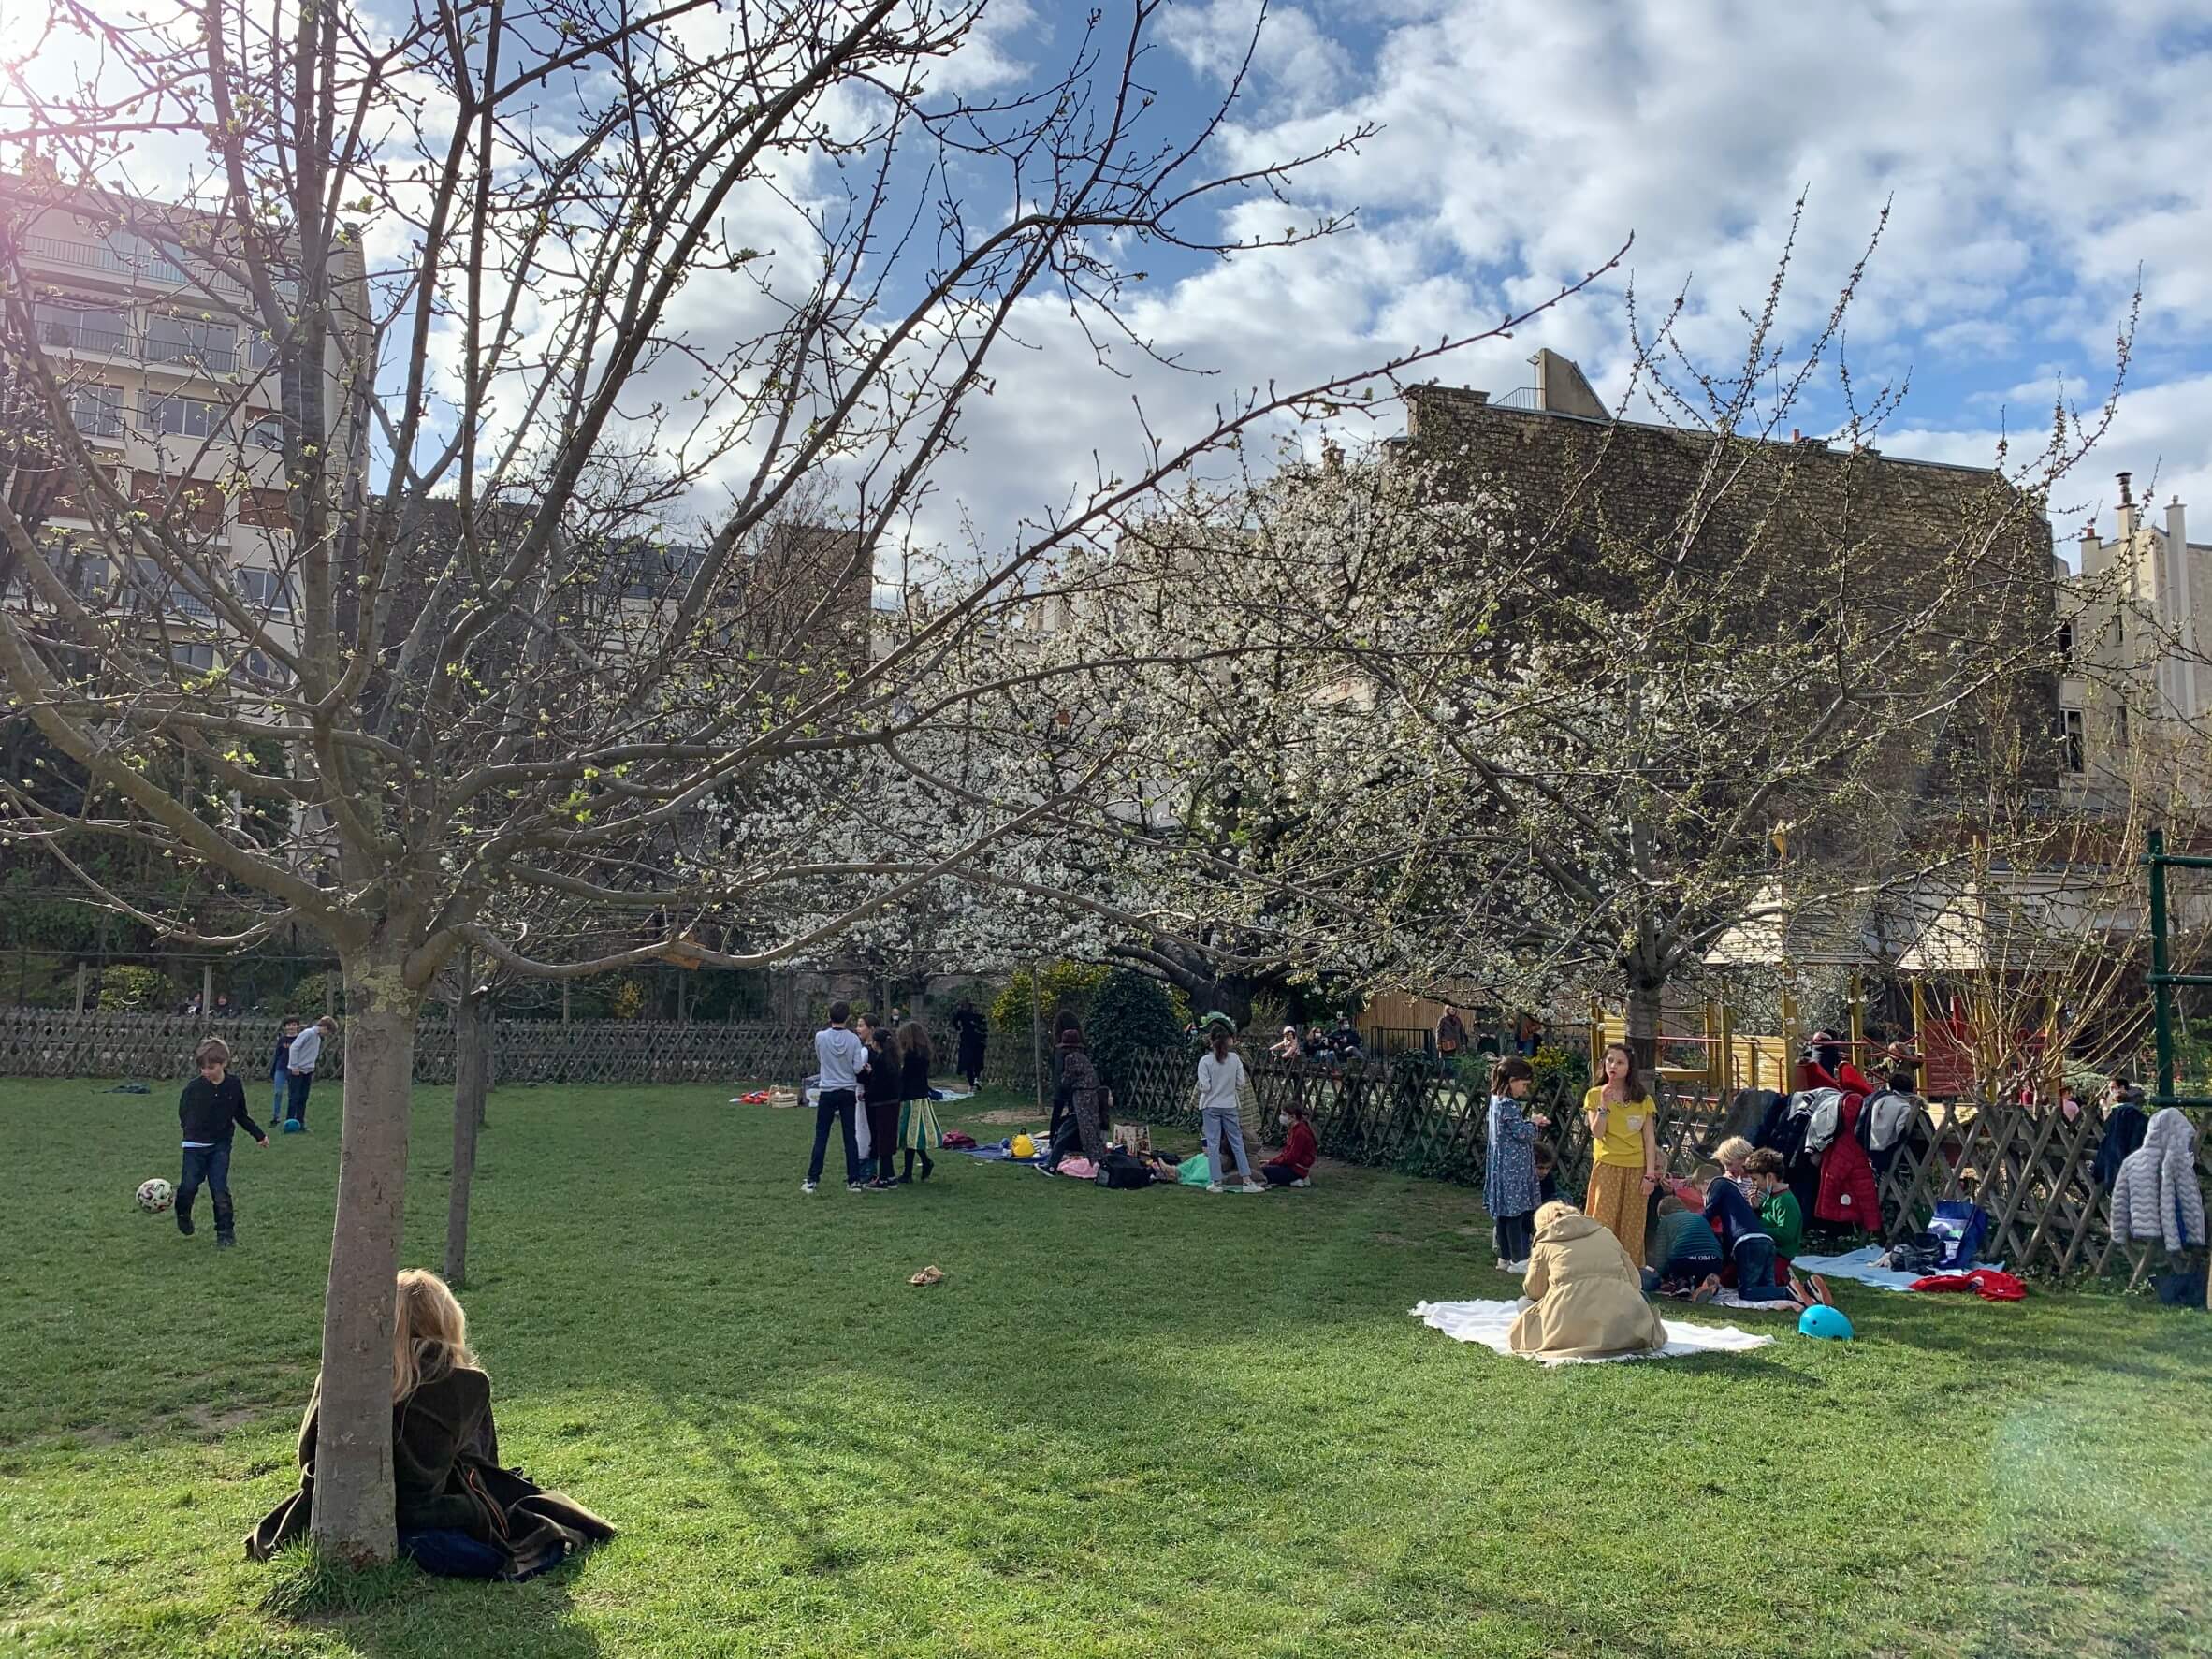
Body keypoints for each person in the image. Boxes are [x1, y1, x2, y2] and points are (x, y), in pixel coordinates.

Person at [249, 1270, 614, 1578]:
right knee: (516, 1519)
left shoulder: (341, 1376)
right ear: (447, 1319)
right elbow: (482, 1459)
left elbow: (308, 1452)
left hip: (344, 1507)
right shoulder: (466, 1383)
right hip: (428, 1514)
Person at [1508, 1201, 1667, 1360]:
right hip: (1622, 1325)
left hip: (1567, 1327)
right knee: (1642, 1298)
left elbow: (1534, 1291)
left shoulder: (1545, 1244)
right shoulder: (1605, 1233)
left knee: (1524, 1302)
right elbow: (1635, 1282)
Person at [176, 1036, 269, 1247]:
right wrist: (190, 1131)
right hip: (194, 1146)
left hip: (220, 1146)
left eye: (211, 1067)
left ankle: (225, 1232)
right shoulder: (193, 1088)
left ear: (224, 1063)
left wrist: (259, 1135)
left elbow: (241, 1114)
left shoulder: (234, 1085)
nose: (206, 1072)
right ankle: (183, 1213)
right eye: (202, 1068)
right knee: (189, 1185)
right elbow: (183, 1112)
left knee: (219, 1188)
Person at [1581, 1041, 1660, 1268]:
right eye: (1609, 1060)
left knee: (1632, 1224)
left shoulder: (1642, 1100)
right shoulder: (1595, 1095)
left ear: (1629, 1067)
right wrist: (1604, 1106)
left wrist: (1650, 1175)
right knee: (1602, 1219)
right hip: (1607, 1164)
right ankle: (1597, 1266)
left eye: (1619, 1062)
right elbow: (1597, 1133)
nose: (1613, 1065)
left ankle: (1629, 1272)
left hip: (1636, 1167)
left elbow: (1649, 1139)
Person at [1699, 1159, 1811, 1306]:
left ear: (1706, 1183)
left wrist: (1692, 1223)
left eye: (1700, 1190)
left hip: (1752, 1244)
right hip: (1767, 1244)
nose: (1753, 1184)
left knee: (1747, 1291)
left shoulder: (1718, 1185)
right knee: (1765, 1288)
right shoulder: (1742, 1195)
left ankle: (1788, 1291)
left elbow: (1708, 1214)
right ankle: (1805, 1291)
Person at [1484, 1055, 1550, 1269]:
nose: (1524, 1089)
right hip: (1514, 1169)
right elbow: (1521, 1133)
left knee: (1503, 1214)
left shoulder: (1496, 1101)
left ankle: (1503, 1258)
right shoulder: (1509, 1105)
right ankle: (1518, 1259)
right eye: (1523, 1084)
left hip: (1500, 1166)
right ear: (1512, 1080)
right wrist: (1535, 1123)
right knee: (1515, 1214)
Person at [804, 1001, 869, 1194]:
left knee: (821, 1135)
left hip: (828, 1089)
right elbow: (857, 1068)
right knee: (850, 1136)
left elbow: (820, 1058)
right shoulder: (853, 1040)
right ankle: (854, 1180)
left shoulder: (820, 1037)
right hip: (848, 1090)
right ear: (848, 1018)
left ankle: (812, 1179)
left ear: (829, 1016)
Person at [1196, 1022, 1264, 1194]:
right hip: (1230, 1105)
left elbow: (1204, 1086)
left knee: (1213, 1143)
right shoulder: (1235, 1060)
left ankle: (1216, 1182)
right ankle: (1247, 1181)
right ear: (1228, 1040)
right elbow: (1241, 1083)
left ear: (1210, 1041)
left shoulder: (1205, 1061)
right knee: (1237, 1142)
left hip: (1211, 1105)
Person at [1043, 1022, 1109, 1173]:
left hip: (1081, 1098)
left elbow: (1067, 1081)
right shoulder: (1083, 1058)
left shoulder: (1070, 1059)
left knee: (1071, 1131)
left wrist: (1060, 1083)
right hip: (1091, 1097)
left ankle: (1052, 1165)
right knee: (1090, 1130)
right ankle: (1100, 1162)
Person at [1642, 1196, 1724, 1298]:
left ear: (1662, 1214)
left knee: (1677, 1262)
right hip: (1714, 1258)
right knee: (1702, 1273)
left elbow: (1661, 1252)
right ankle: (1706, 1285)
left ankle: (1682, 1284)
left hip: (1685, 1258)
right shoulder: (1699, 1217)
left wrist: (1662, 1275)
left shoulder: (1665, 1221)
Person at [857, 1016, 903, 1189]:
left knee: (881, 1140)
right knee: (888, 1139)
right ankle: (889, 1175)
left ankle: (883, 1178)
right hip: (892, 1104)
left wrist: (866, 1095)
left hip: (880, 1105)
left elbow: (877, 1085)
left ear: (877, 1043)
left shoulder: (880, 1061)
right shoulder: (893, 1060)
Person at [895, 1019, 939, 1183]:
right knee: (913, 1135)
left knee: (909, 1135)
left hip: (911, 1098)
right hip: (921, 1096)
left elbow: (904, 1078)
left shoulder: (910, 1057)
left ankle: (909, 1173)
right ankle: (924, 1163)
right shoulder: (923, 1054)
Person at [1744, 1147, 1803, 1259]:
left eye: (1755, 1179)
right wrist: (1756, 1209)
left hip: (1779, 1254)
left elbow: (1786, 1234)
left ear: (1769, 1177)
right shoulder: (1769, 1195)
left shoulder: (1785, 1200)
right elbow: (1767, 1219)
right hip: (1767, 1248)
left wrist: (1757, 1229)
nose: (1753, 1184)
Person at [283, 1015, 333, 1131]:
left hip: (307, 1070)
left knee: (303, 1097)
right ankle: (289, 1123)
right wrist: (294, 1066)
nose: (327, 1034)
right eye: (328, 1031)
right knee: (294, 1097)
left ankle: (300, 1123)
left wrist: (311, 1067)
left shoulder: (318, 1038)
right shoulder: (308, 1033)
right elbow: (294, 1048)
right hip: (297, 1070)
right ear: (324, 1027)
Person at [1260, 1099, 1317, 1186]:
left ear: (1293, 1117)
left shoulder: (1300, 1132)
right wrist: (1271, 1162)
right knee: (1264, 1168)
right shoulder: (1296, 1129)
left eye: (1284, 1115)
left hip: (1296, 1169)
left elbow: (1291, 1157)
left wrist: (1272, 1163)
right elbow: (1287, 1153)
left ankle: (1294, 1180)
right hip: (1295, 1167)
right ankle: (1295, 1180)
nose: (1281, 1117)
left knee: (1262, 1172)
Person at [268, 1015, 300, 1129]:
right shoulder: (282, 1040)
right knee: (278, 1093)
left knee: (292, 1094)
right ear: (285, 1027)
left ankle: (291, 1117)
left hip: (294, 1069)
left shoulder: (300, 1039)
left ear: (297, 1026)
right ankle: (275, 1117)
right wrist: (273, 1070)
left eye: (294, 1024)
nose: (291, 1027)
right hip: (281, 1068)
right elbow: (277, 1055)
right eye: (289, 1025)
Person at [952, 998, 987, 1091]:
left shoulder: (962, 1013)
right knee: (977, 1059)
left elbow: (954, 1021)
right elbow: (984, 1027)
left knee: (969, 1062)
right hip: (978, 1039)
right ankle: (976, 1079)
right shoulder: (979, 1015)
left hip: (967, 1039)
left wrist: (959, 1029)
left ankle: (972, 1083)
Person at [1434, 1005, 1467, 1074]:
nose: (1453, 1011)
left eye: (1454, 1009)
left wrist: (1464, 1044)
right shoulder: (1442, 1019)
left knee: (1457, 1064)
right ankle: (1445, 1079)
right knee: (1447, 1064)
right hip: (1447, 1045)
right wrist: (1438, 1044)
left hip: (1457, 1045)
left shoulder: (1458, 1020)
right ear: (1447, 1009)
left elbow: (1462, 1033)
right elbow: (1438, 1032)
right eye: (1452, 1009)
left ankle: (1456, 1081)